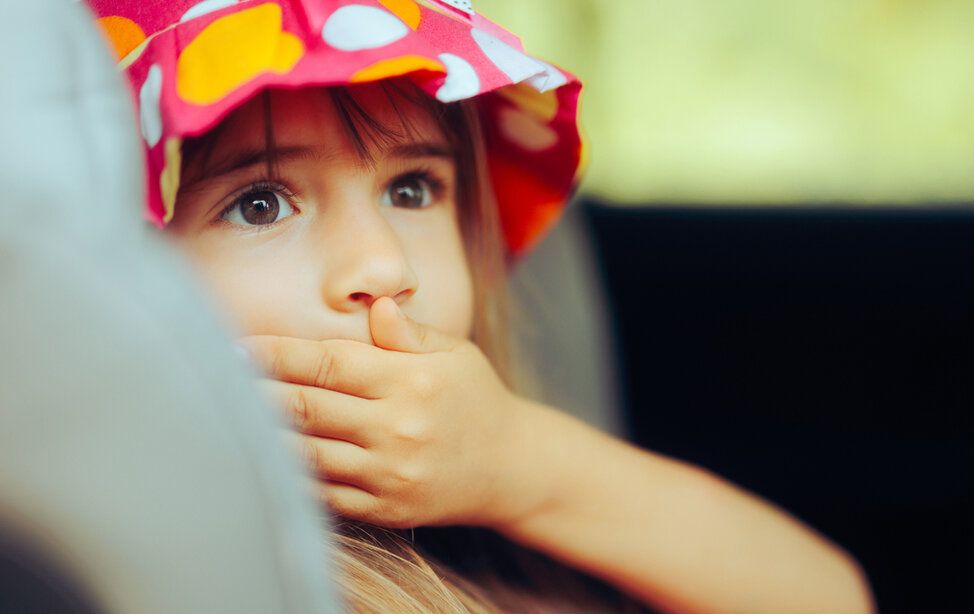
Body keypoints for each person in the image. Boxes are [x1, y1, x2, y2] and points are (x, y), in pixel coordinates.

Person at [86, 1, 875, 612]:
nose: (383, 265)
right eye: (260, 204)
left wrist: (519, 465)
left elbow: (831, 597)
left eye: (412, 188)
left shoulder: (508, 520)